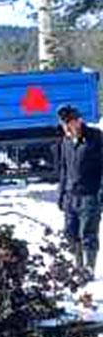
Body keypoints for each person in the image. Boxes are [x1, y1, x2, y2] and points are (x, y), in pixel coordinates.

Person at [57, 104, 103, 274]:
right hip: (71, 196)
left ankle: (89, 267)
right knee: (70, 233)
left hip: (90, 194)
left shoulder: (96, 138)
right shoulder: (66, 141)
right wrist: (61, 194)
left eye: (69, 123)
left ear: (78, 121)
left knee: (88, 233)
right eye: (64, 124)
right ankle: (78, 267)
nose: (66, 128)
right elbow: (64, 169)